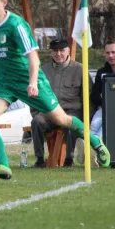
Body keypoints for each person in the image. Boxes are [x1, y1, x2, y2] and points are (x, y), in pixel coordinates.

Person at [0, 0, 111, 180]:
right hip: (4, 83)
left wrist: (32, 83)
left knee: (61, 120)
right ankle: (4, 166)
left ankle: (96, 142)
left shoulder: (17, 25)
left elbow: (33, 57)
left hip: (29, 81)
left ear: (4, 2)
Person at [30, 39, 93, 168]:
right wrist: (36, 112)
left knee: (71, 121)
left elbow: (88, 97)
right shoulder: (43, 70)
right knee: (36, 121)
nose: (58, 54)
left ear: (68, 51)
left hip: (71, 111)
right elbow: (35, 96)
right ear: (51, 53)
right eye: (55, 51)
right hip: (49, 113)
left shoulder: (80, 69)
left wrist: (86, 120)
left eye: (62, 50)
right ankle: (40, 159)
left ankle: (69, 160)